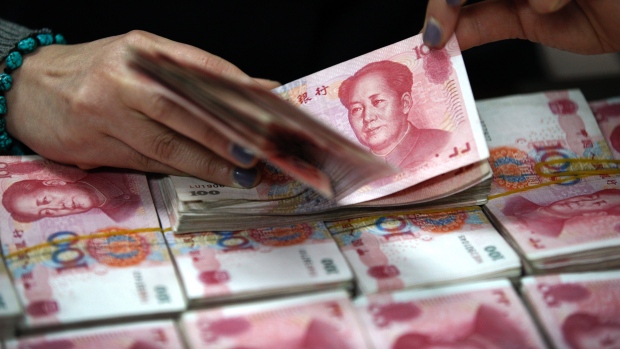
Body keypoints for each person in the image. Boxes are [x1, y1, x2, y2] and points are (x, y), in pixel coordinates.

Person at [0, 0, 619, 191]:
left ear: (407, 103)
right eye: (355, 105)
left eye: (376, 102)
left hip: (494, 97)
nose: (362, 114)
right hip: (100, 141)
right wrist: (17, 67)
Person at [338, 60, 450, 170]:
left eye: (377, 102)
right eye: (357, 109)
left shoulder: (445, 143)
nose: (367, 117)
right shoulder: (354, 172)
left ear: (405, 103)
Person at [1, 171, 142, 222]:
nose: (57, 207)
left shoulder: (110, 168)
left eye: (46, 200)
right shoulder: (120, 217)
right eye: (47, 212)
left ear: (54, 182)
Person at [501, 189, 620, 237]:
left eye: (596, 204)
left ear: (590, 214)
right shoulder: (517, 201)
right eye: (592, 197)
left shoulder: (547, 231)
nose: (582, 201)